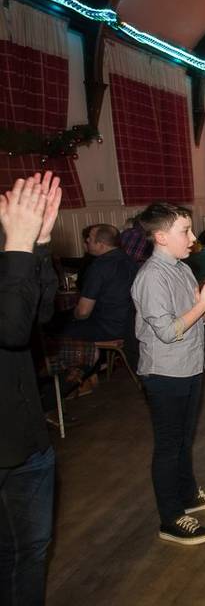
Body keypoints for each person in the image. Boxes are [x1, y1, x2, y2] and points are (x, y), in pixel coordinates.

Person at [131, 203, 205, 546]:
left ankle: (188, 495)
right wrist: (202, 306)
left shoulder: (181, 267)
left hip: (190, 366)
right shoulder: (151, 277)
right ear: (160, 237)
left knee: (184, 441)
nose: (192, 238)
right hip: (165, 374)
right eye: (184, 232)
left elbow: (194, 319)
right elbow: (167, 331)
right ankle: (171, 517)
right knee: (168, 446)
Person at [0, 171, 60, 606]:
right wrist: (20, 247)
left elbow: (38, 314)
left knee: (30, 552)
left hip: (27, 440)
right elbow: (12, 329)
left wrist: (38, 244)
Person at [59, 224, 138, 341]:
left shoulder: (99, 266)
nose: (87, 240)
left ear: (101, 245)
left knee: (59, 329)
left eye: (90, 238)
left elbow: (83, 312)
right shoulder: (131, 262)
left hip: (106, 327)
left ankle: (90, 356)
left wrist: (74, 314)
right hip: (132, 326)